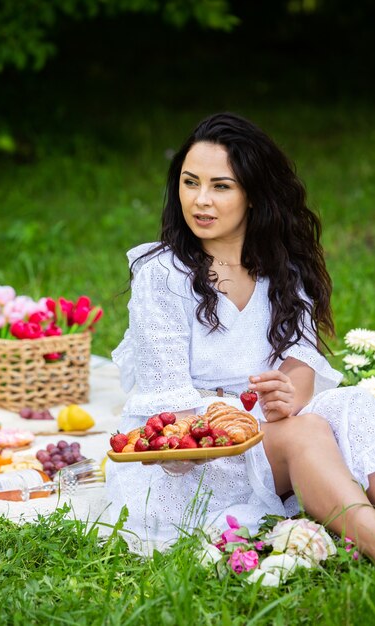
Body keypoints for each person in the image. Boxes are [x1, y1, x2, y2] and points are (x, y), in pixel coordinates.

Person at [106, 112, 375, 558]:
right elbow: (172, 419)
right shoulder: (162, 275)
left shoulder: (284, 268)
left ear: (253, 195)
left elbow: (302, 360)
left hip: (270, 427)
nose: (201, 201)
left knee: (361, 405)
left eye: (221, 186)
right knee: (305, 433)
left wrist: (287, 393)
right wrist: (263, 421)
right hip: (194, 457)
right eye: (190, 182)